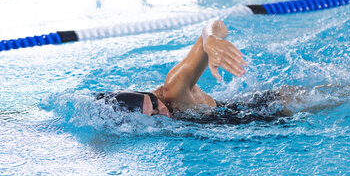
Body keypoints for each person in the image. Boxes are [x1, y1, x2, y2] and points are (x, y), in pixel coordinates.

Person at [97, 19, 294, 123]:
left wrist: (210, 40)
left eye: (155, 104)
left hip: (272, 107)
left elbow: (217, 24)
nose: (162, 112)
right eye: (153, 115)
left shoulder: (173, 89)